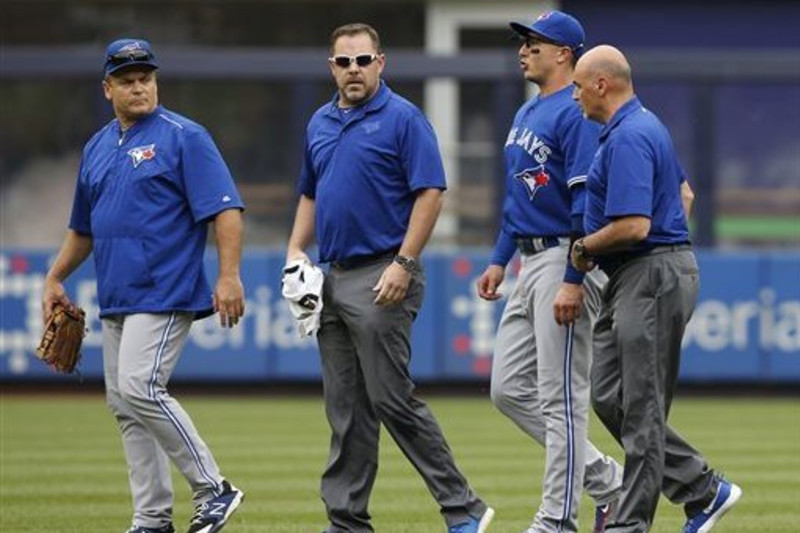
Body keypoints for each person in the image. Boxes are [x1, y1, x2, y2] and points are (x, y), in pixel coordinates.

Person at [286, 22, 494, 533]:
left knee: (390, 398)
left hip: (384, 269)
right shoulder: (319, 122)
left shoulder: (403, 118)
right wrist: (295, 248)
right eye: (343, 62)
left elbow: (431, 192)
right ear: (331, 67)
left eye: (362, 60)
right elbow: (311, 193)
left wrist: (404, 262)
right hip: (332, 275)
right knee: (346, 408)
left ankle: (463, 507)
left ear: (381, 63)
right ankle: (346, 519)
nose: (353, 70)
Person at [41, 39, 246, 533]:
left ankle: (214, 488)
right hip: (117, 295)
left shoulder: (184, 136)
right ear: (107, 87)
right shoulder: (96, 147)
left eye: (146, 77)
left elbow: (225, 208)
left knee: (139, 386)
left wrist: (228, 274)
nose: (139, 86)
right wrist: (54, 276)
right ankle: (152, 518)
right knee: (126, 406)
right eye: (128, 79)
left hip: (165, 286)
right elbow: (83, 230)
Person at [570, 45, 742, 533]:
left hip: (648, 271)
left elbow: (633, 225)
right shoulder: (639, 127)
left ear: (602, 83)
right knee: (608, 396)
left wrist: (584, 248)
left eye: (580, 85)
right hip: (640, 273)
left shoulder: (629, 136)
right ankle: (702, 488)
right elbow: (684, 195)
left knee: (642, 408)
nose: (577, 95)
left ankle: (630, 526)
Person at [476, 11, 622, 533]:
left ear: (565, 53)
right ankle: (609, 483)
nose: (523, 50)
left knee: (562, 398)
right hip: (528, 259)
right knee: (508, 388)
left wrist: (575, 278)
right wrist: (498, 258)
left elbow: (586, 206)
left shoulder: (575, 111)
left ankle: (558, 520)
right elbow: (519, 198)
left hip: (566, 256)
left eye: (534, 42)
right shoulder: (526, 112)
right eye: (522, 42)